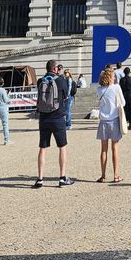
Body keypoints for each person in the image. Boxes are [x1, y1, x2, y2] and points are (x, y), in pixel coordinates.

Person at [33, 59, 74, 189]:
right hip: (58, 117)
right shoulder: (61, 80)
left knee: (43, 148)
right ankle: (62, 177)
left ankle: (40, 179)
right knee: (62, 147)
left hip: (44, 118)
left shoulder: (41, 81)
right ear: (55, 69)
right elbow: (66, 95)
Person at [95, 67, 125, 182]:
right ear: (111, 77)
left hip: (103, 121)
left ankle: (103, 175)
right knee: (115, 148)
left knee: (103, 149)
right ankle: (116, 175)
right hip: (114, 119)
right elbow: (123, 102)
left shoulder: (99, 90)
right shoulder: (116, 87)